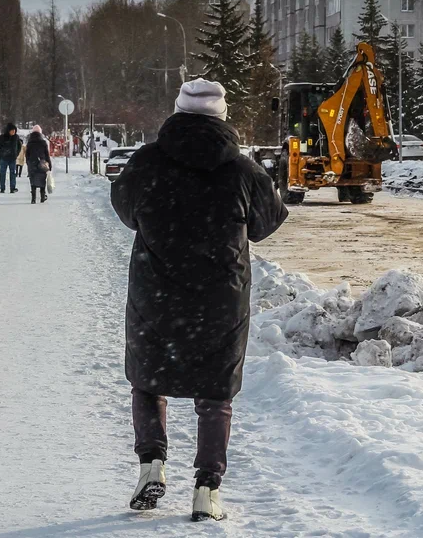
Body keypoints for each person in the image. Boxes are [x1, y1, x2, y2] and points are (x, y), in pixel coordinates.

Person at [111, 78, 287, 522]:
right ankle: (207, 489)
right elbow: (268, 221)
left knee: (149, 380)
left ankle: (152, 464)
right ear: (222, 115)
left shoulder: (148, 161)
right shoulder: (243, 169)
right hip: (220, 296)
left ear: (179, 110)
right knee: (214, 391)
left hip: (157, 290)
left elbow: (126, 211)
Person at [24, 124, 52, 204]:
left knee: (33, 181)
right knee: (42, 180)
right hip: (42, 164)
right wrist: (49, 165)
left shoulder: (29, 143)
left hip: (32, 164)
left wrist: (28, 163)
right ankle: (42, 197)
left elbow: (27, 155)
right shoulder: (43, 142)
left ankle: (33, 199)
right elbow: (47, 155)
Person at [0, 122, 23, 194]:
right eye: (12, 130)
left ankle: (12, 188)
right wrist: (2, 153)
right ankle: (2, 188)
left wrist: (16, 153)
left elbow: (19, 146)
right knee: (3, 173)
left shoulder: (16, 137)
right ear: (8, 130)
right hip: (4, 158)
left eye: (14, 131)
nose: (14, 132)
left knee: (13, 173)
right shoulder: (2, 137)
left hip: (12, 158)